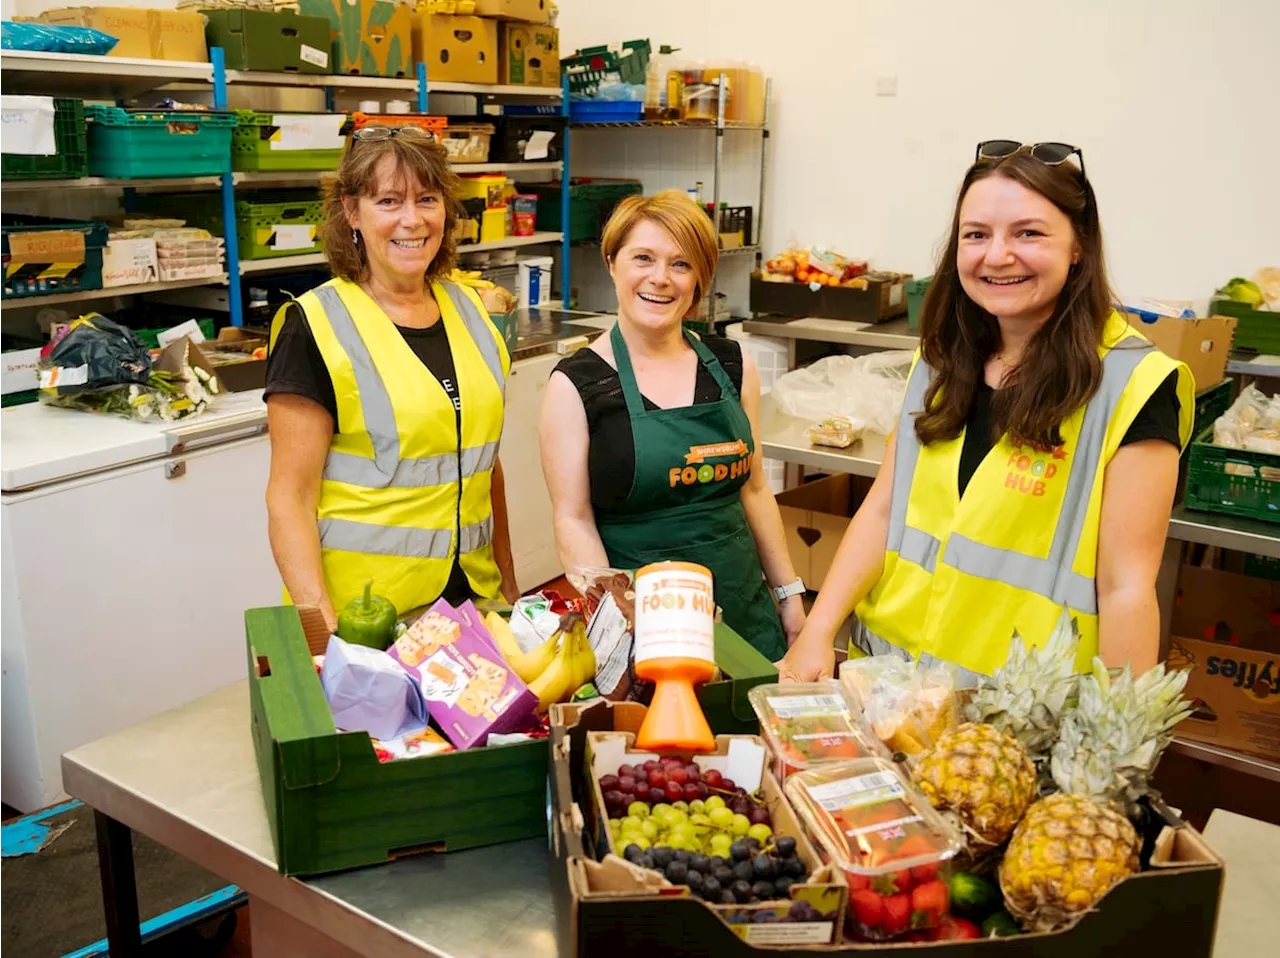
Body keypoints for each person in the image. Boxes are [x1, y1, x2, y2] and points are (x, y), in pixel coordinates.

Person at [780, 141, 1193, 685]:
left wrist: (1114, 740)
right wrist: (817, 632)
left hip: (1018, 720)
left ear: (1078, 247)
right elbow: (884, 511)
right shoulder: (941, 358)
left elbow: (1126, 589)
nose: (997, 256)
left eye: (1028, 233)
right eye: (977, 234)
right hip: (884, 688)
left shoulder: (1131, 385)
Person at [265, 126, 518, 633]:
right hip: (368, 619)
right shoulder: (315, 325)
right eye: (388, 200)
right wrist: (321, 631)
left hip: (474, 605)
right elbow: (289, 497)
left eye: (427, 199)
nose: (412, 219)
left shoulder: (471, 310)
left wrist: (510, 589)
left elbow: (484, 466)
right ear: (352, 212)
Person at [540, 190, 805, 662]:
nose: (660, 279)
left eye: (681, 264)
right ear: (612, 262)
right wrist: (616, 624)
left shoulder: (732, 363)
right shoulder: (577, 384)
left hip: (745, 616)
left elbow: (756, 490)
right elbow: (572, 518)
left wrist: (789, 595)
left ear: (700, 278)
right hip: (643, 630)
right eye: (643, 257)